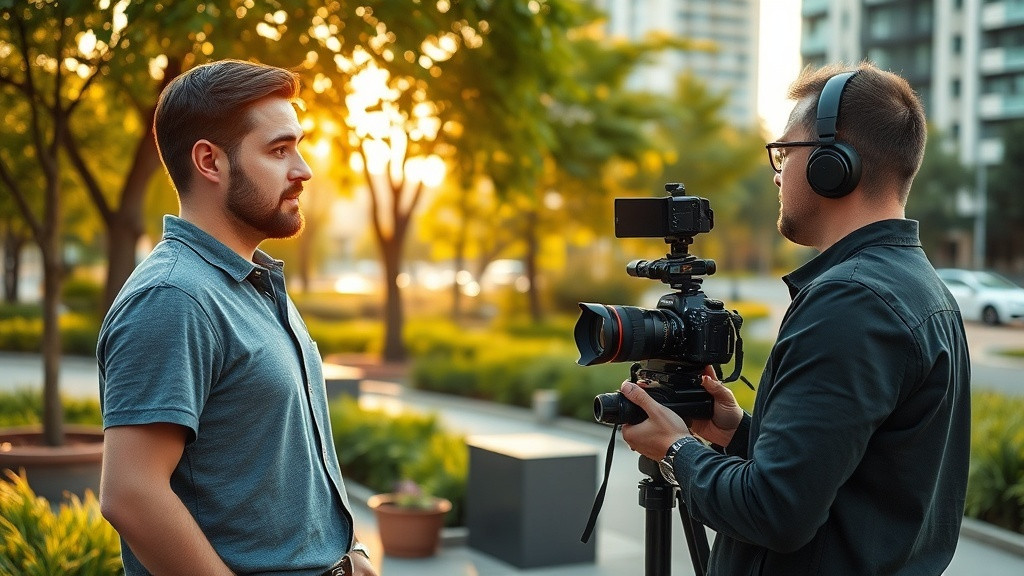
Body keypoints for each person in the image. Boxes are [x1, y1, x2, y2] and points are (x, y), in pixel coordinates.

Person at [619, 62, 971, 575]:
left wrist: (676, 451)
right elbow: (855, 479)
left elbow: (775, 513)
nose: (778, 172)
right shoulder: (923, 288)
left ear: (834, 163)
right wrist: (739, 433)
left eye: (785, 152)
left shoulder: (851, 303)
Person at [97, 59, 376, 576]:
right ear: (210, 161)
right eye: (278, 150)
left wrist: (351, 554)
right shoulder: (174, 297)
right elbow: (132, 494)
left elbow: (288, 459)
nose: (303, 169)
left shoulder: (253, 281)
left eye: (297, 144)